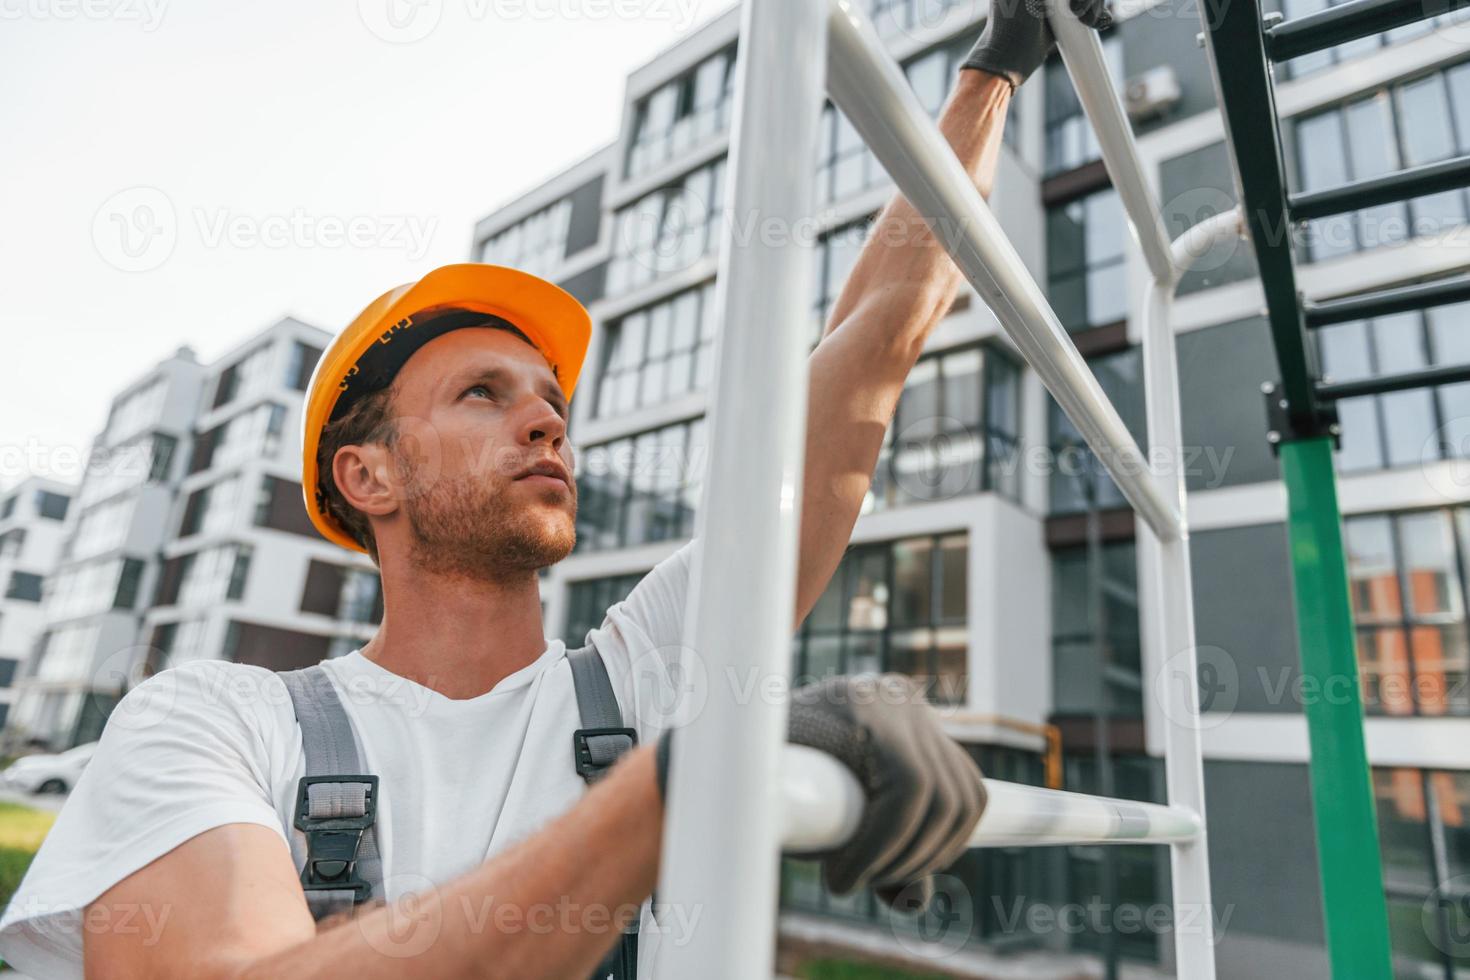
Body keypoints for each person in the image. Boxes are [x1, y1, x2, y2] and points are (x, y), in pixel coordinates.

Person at [0, 2, 1109, 976]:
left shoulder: (647, 671)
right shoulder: (217, 721)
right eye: (482, 393)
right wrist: (682, 781)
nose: (546, 419)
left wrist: (998, 61)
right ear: (366, 473)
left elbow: (868, 348)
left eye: (549, 401)